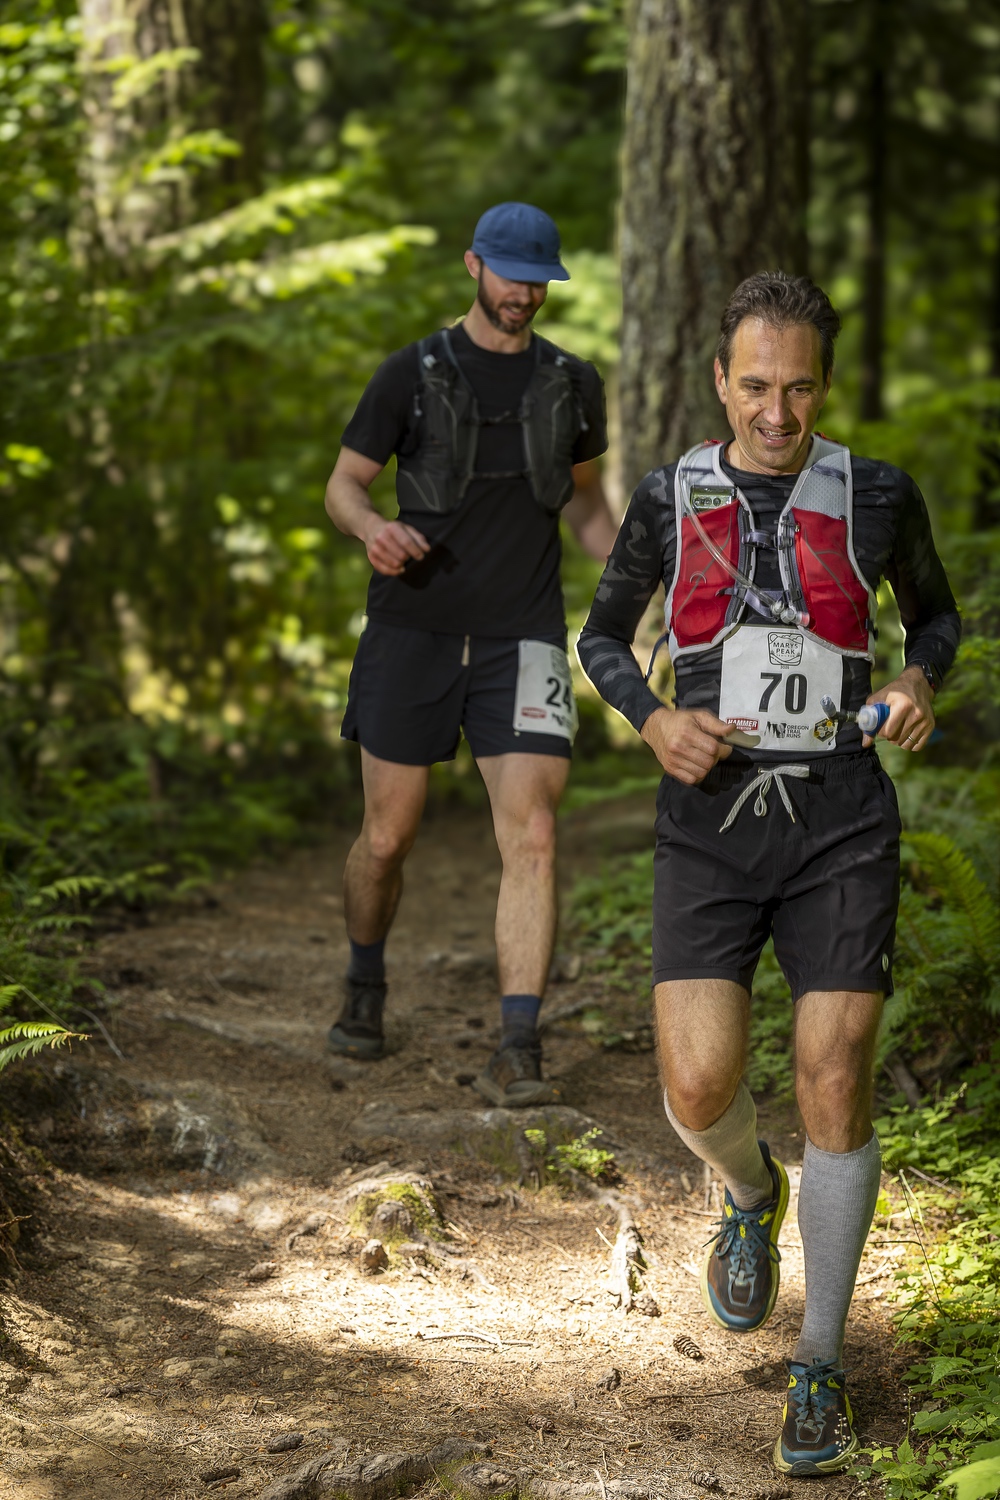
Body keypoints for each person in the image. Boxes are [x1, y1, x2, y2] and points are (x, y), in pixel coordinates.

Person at [578, 271, 960, 1475]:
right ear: (719, 381)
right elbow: (598, 634)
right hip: (706, 816)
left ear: (824, 384)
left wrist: (912, 682)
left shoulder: (878, 493)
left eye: (798, 387)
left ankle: (820, 1367)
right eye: (755, 386)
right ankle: (749, 1196)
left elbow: (935, 620)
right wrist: (647, 717)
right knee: (696, 1090)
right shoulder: (667, 494)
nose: (776, 411)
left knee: (832, 1071)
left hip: (841, 816)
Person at [324, 201, 617, 1107]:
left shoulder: (572, 384)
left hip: (522, 636)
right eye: (511, 275)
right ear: (473, 266)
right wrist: (372, 529)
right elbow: (344, 484)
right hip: (411, 630)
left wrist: (647, 577)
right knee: (386, 837)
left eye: (539, 279)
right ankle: (365, 981)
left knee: (532, 835)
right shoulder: (409, 374)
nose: (525, 294)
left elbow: (587, 506)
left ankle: (519, 1045)